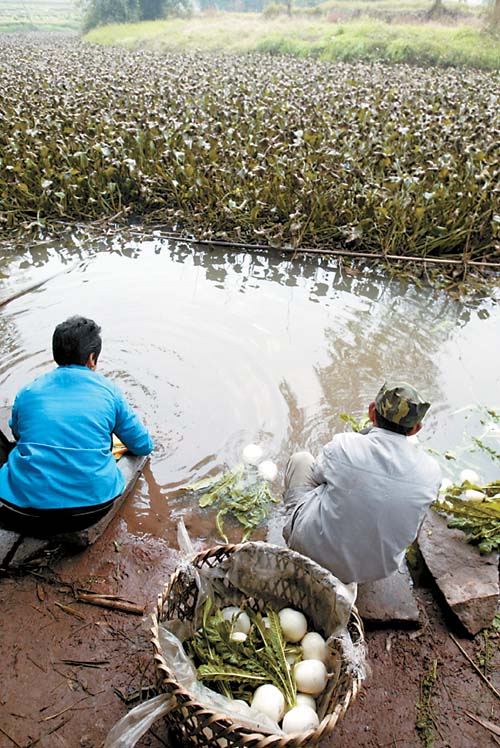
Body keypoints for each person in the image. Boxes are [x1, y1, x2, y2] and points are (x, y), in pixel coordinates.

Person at [0, 315, 153, 536]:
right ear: (92, 358)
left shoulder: (28, 391)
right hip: (91, 511)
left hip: (23, 514)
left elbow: (17, 432)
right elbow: (143, 446)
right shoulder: (109, 392)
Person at [282, 381, 441, 585]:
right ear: (415, 429)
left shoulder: (345, 445)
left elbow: (318, 475)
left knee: (301, 460)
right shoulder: (431, 471)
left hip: (310, 553)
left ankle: (294, 538)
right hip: (375, 571)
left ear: (372, 411)